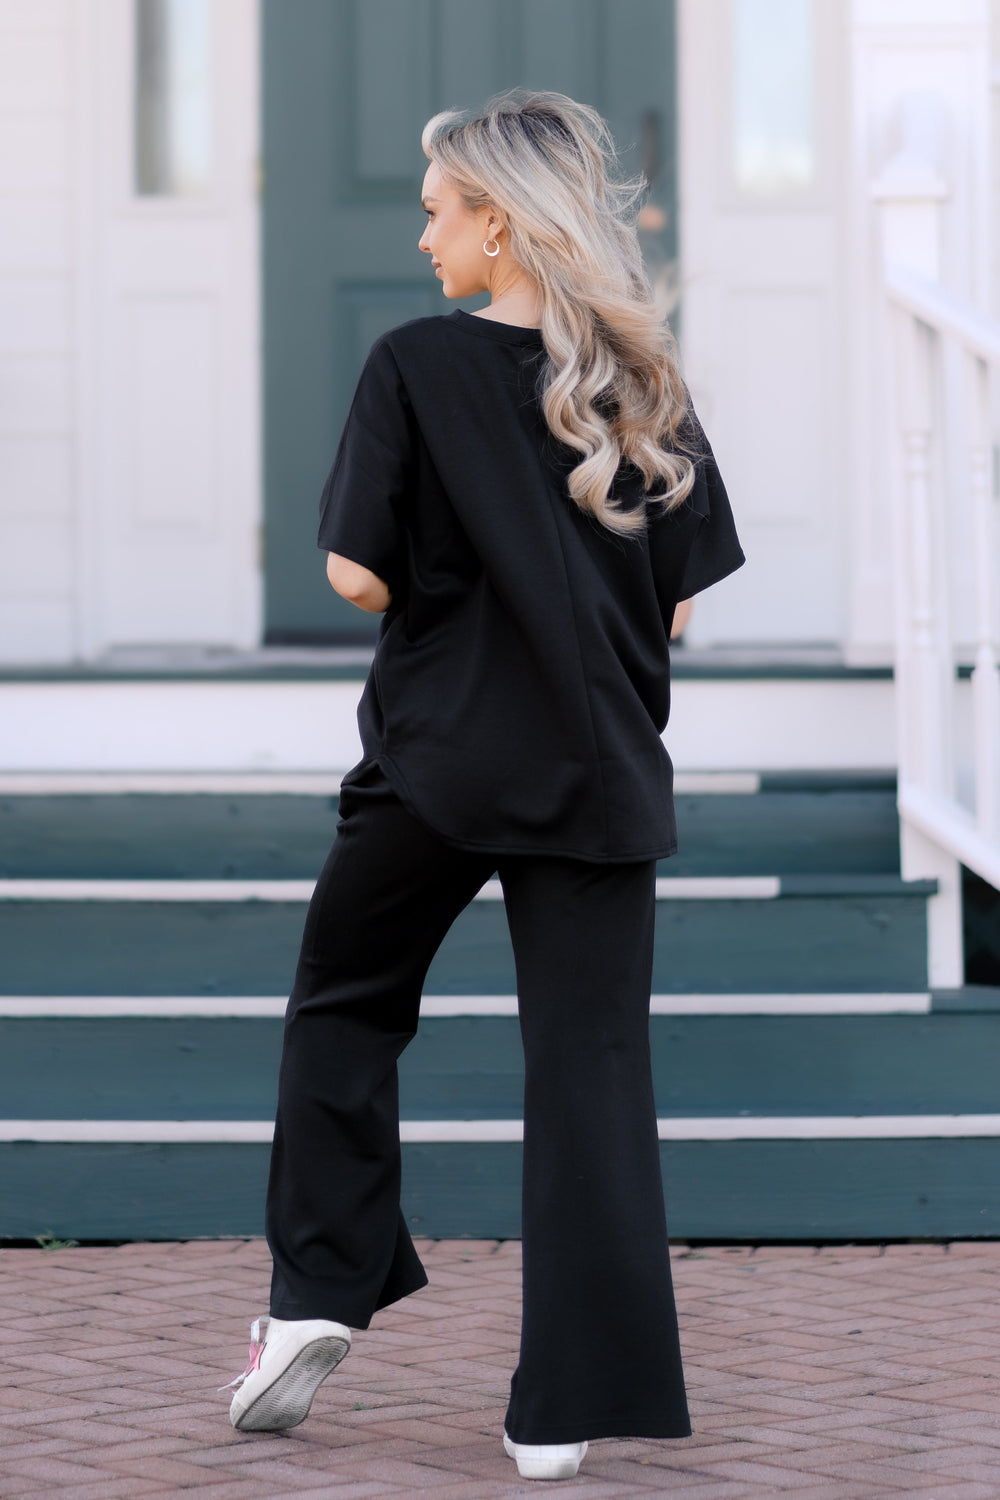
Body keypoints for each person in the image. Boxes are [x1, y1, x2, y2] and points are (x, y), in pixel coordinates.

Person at [222, 89, 745, 1483]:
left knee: (346, 1002)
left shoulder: (413, 363)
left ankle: (317, 1293)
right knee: (592, 1072)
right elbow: (679, 606)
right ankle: (560, 1409)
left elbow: (354, 574)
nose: (423, 234)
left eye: (437, 209)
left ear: (499, 222)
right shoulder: (644, 381)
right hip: (600, 771)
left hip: (442, 761)